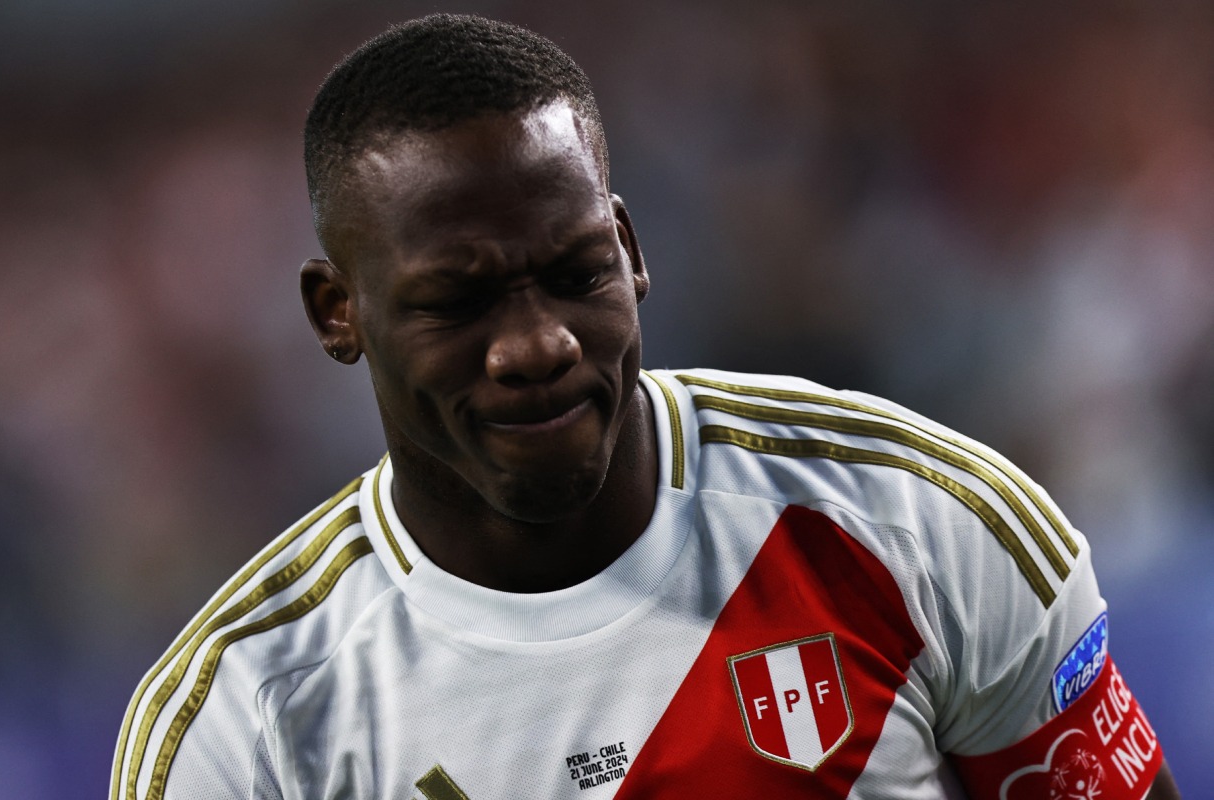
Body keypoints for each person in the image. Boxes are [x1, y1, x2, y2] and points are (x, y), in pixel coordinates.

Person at [110, 13, 1180, 800]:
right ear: (335, 311)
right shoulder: (244, 722)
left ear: (629, 250)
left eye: (574, 272)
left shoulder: (918, 523)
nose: (536, 342)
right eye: (458, 297)